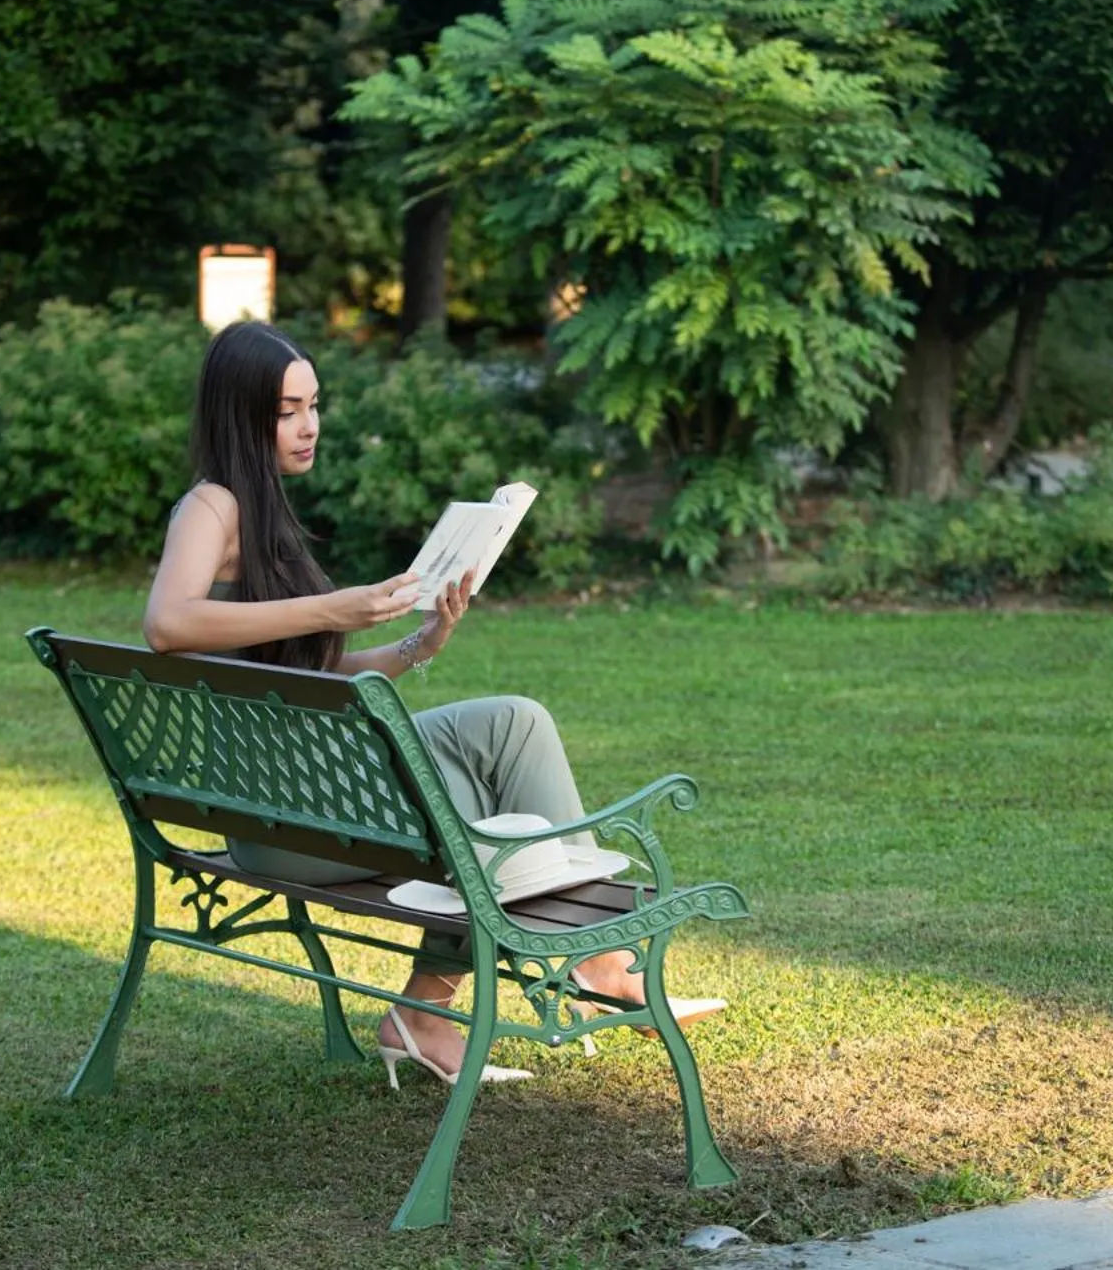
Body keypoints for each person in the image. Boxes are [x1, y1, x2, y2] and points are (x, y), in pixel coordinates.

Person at [142, 320, 721, 1087]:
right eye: (287, 410)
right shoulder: (212, 505)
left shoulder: (264, 509)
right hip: (285, 808)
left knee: (514, 722)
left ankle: (595, 961)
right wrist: (331, 608)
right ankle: (450, 1004)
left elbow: (313, 665)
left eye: (315, 404)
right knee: (470, 806)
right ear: (239, 413)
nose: (310, 424)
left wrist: (417, 645)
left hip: (320, 779)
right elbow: (168, 622)